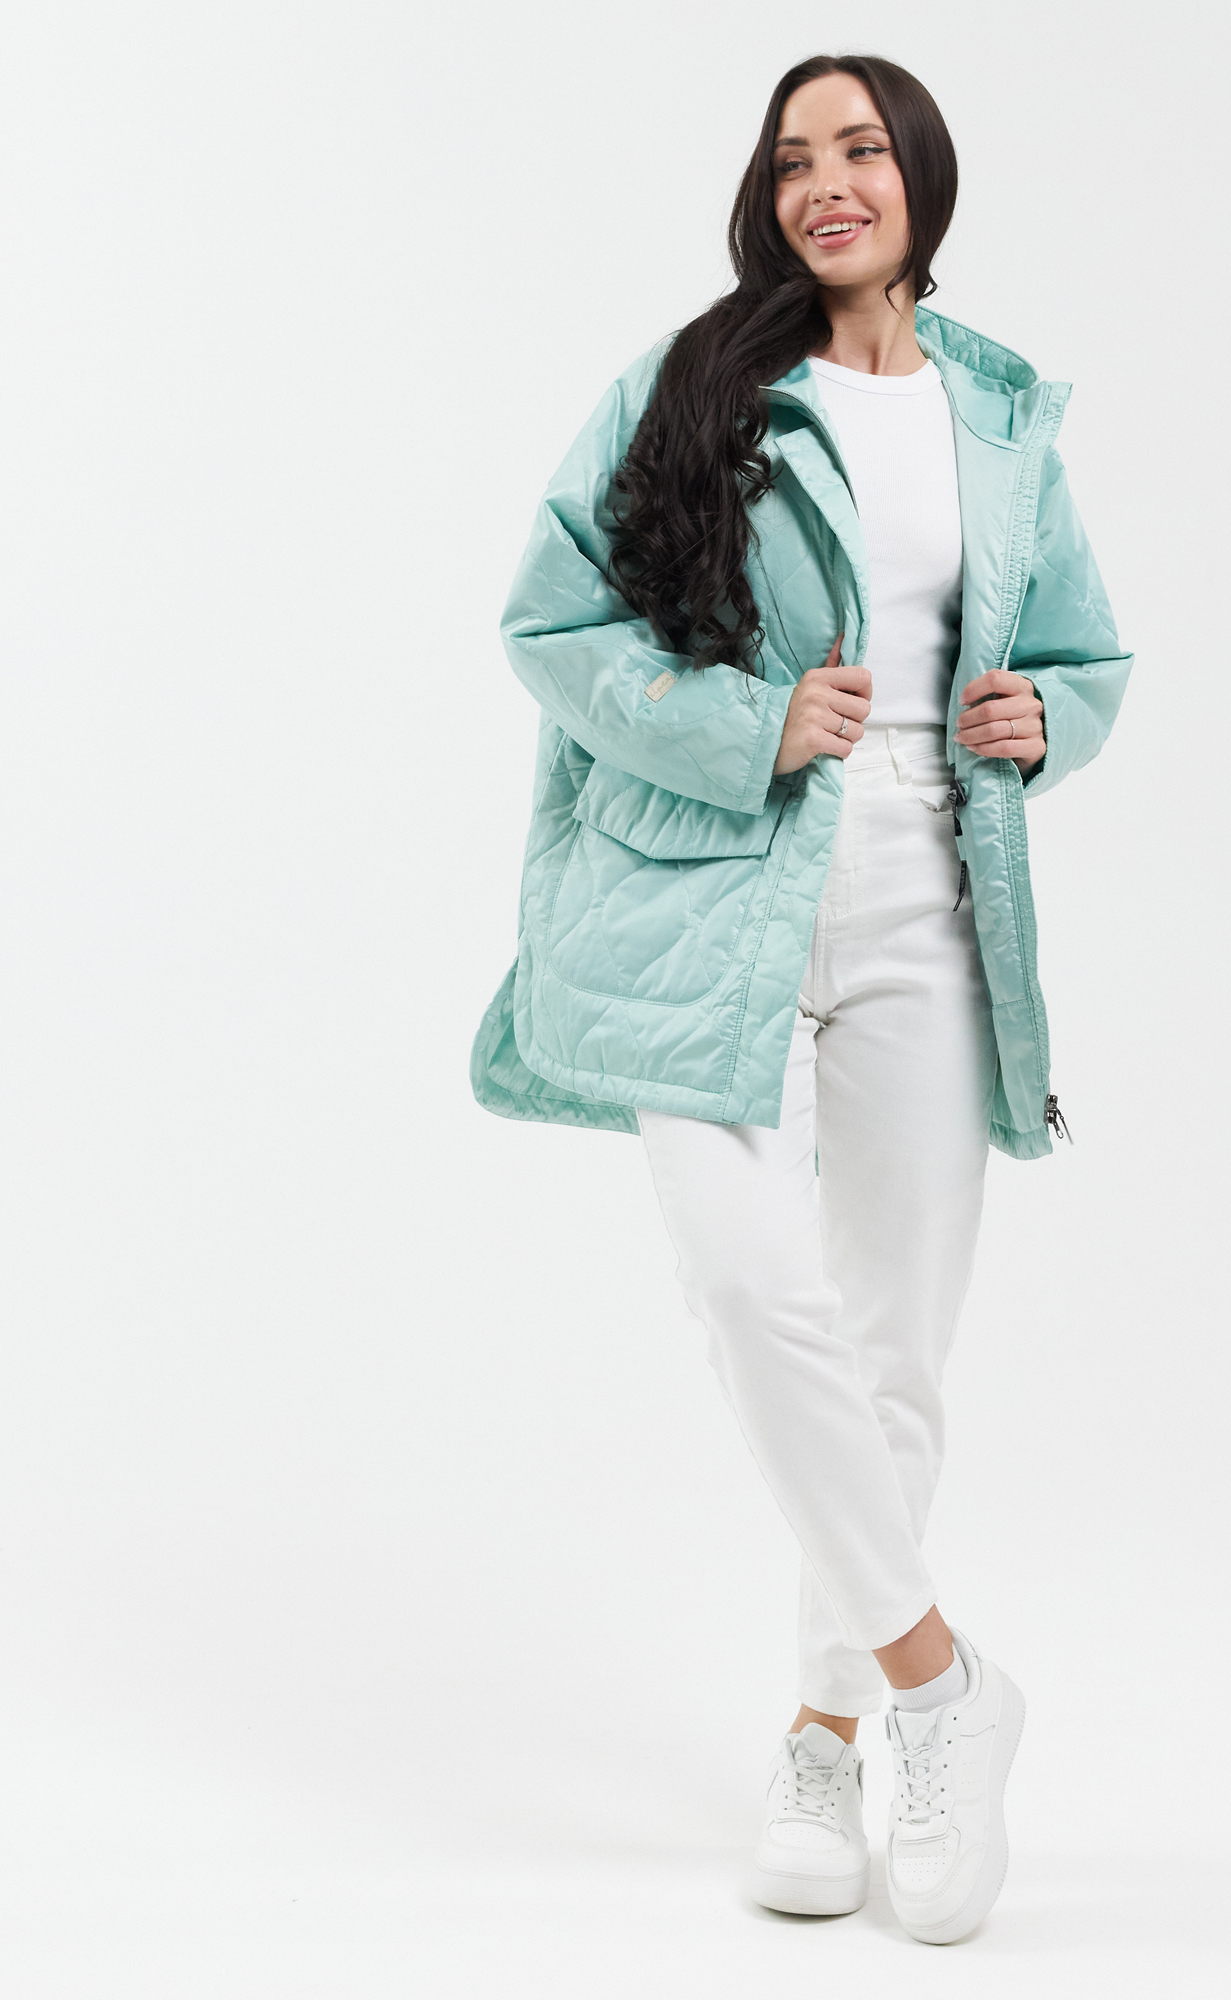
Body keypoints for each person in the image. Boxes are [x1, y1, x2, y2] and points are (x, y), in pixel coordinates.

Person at [470, 53, 1130, 1944]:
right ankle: (946, 1684)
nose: (825, 183)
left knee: (896, 1349)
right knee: (751, 1287)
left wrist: (1046, 716)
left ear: (922, 174)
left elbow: (1085, 655)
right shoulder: (692, 387)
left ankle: (830, 1733)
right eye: (791, 161)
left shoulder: (1002, 416)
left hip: (935, 893)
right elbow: (548, 622)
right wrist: (745, 724)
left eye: (858, 151)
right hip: (715, 895)